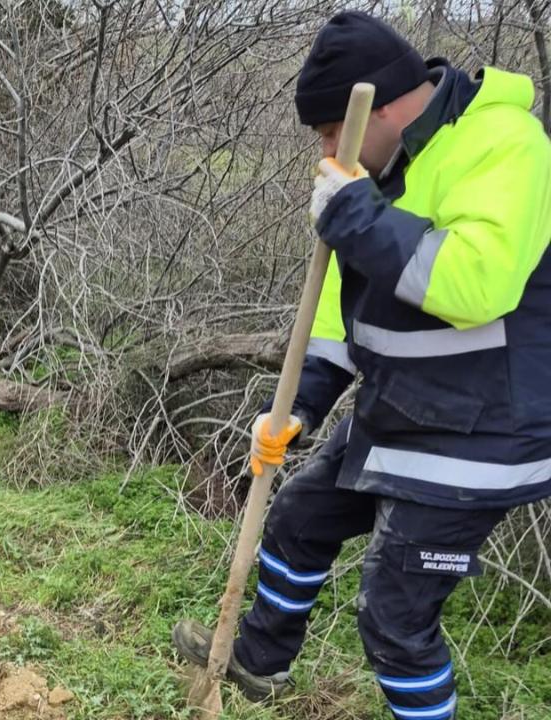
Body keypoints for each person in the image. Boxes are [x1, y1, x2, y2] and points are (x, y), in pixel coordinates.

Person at [173, 11, 551, 720]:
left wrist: (359, 216)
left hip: (484, 437)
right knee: (300, 515)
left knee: (392, 617)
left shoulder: (506, 144)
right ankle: (257, 664)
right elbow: (342, 312)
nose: (325, 150)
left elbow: (479, 283)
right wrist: (300, 406)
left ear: (373, 107)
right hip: (405, 409)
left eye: (327, 133)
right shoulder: (385, 167)